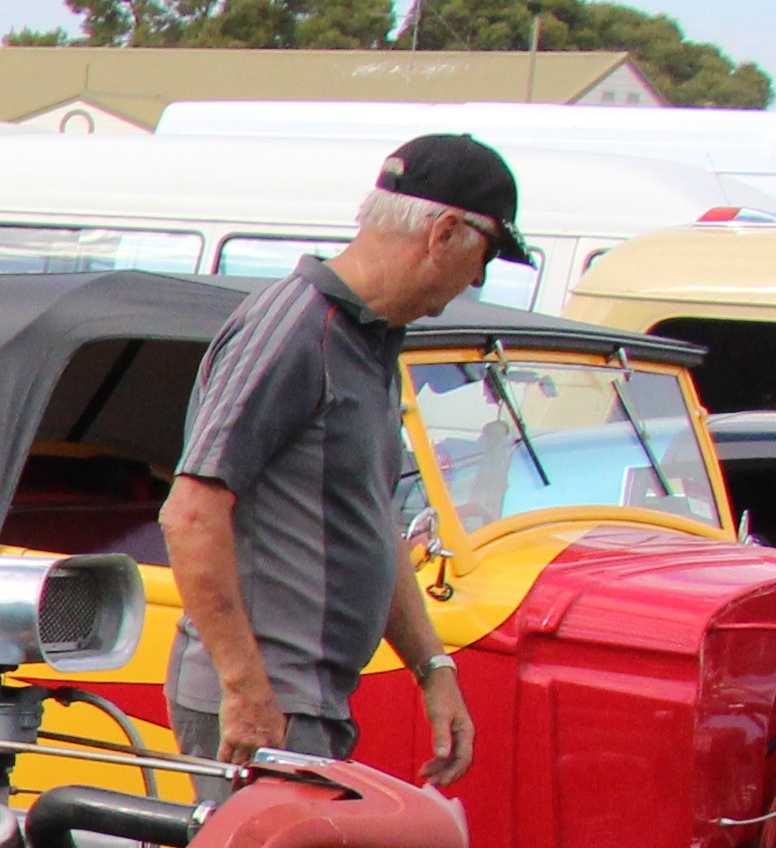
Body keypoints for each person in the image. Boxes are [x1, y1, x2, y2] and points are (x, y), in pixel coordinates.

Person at [156, 133, 515, 785]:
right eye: (485, 257)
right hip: (266, 705)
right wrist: (245, 689)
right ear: (444, 233)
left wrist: (434, 670)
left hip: (300, 701)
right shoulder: (297, 326)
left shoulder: (368, 338)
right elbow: (191, 513)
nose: (478, 281)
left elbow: (370, 523)